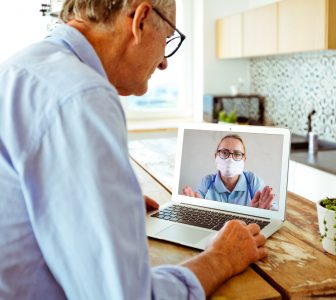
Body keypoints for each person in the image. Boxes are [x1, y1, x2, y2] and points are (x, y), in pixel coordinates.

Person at [0, 0, 268, 299]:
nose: (165, 61)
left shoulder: (23, 66)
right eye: (167, 38)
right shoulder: (83, 96)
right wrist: (222, 258)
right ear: (140, 20)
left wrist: (101, 200)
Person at [182, 134, 277, 210]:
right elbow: (197, 207)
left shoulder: (253, 181)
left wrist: (263, 213)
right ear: (216, 156)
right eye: (224, 152)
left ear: (244, 159)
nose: (230, 159)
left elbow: (272, 209)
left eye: (237, 154)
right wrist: (192, 209)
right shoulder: (206, 182)